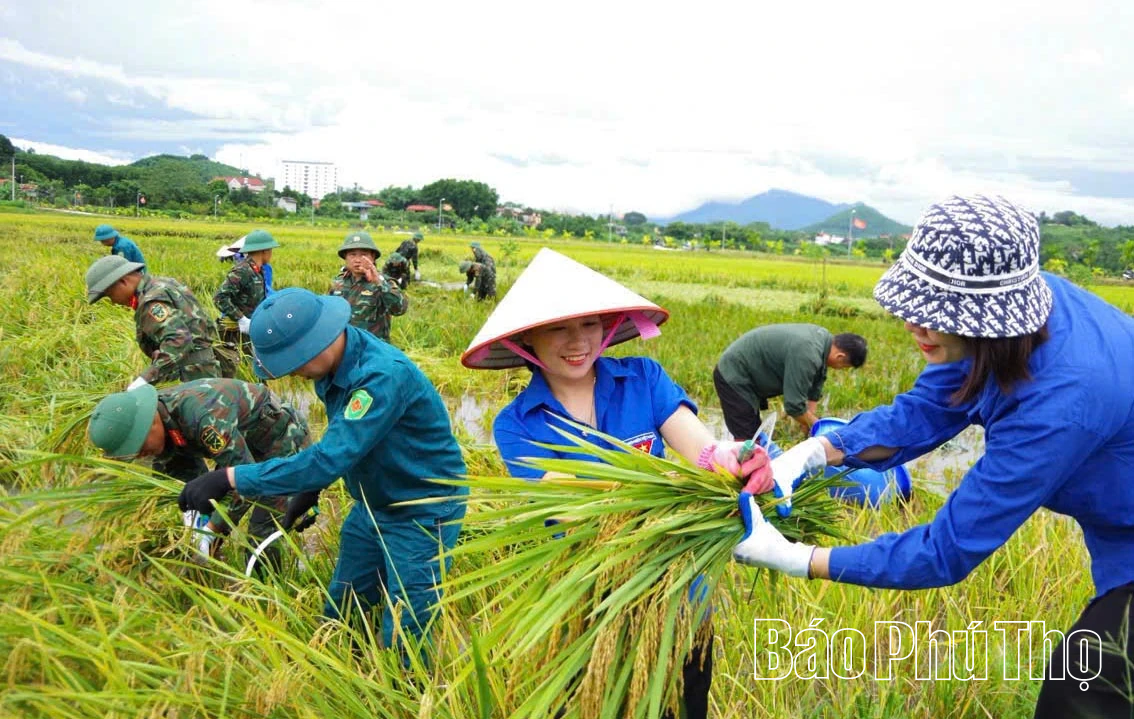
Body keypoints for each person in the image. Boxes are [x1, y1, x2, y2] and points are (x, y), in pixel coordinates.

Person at [729, 195, 1134, 719]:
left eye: (935, 313)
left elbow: (946, 550)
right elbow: (924, 411)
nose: (912, 323)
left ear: (985, 317)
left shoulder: (1060, 403)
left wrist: (797, 558)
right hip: (1120, 529)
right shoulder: (1012, 316)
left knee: (1083, 690)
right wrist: (811, 454)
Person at [461, 248, 772, 719]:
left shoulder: (643, 378)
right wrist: (670, 484)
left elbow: (702, 450)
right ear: (527, 339)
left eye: (589, 324)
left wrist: (731, 458)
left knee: (683, 704)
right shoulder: (518, 423)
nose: (578, 341)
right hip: (587, 601)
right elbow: (572, 505)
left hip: (678, 591)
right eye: (558, 328)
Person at [178, 288, 468, 655]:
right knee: (344, 603)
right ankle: (341, 667)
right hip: (373, 503)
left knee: (407, 622)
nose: (295, 373)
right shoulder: (330, 370)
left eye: (294, 363)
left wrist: (230, 478)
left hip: (422, 508)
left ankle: (408, 686)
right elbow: (347, 442)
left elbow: (330, 456)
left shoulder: (380, 377)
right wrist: (311, 490)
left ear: (317, 342)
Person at [88, 378, 312, 566]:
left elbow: (246, 483)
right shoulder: (162, 426)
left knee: (261, 532)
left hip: (282, 443)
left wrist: (211, 529)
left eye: (141, 447)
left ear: (151, 424)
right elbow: (186, 484)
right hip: (240, 447)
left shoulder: (204, 417)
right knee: (207, 525)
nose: (141, 456)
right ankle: (211, 579)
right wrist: (192, 522)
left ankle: (269, 592)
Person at [85, 255, 229, 388]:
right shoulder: (163, 283)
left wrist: (145, 379)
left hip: (193, 375)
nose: (113, 301)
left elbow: (179, 340)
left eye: (110, 295)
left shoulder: (151, 301)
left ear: (123, 281)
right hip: (205, 367)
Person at [713, 324, 867, 437]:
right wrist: (821, 429)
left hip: (748, 374)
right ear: (840, 357)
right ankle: (736, 470)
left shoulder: (823, 341)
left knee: (754, 433)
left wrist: (809, 427)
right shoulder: (807, 354)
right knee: (747, 436)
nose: (840, 369)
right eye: (844, 367)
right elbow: (794, 406)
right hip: (734, 375)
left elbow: (814, 390)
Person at [328, 231, 408, 343]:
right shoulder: (338, 282)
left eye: (363, 255)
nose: (357, 260)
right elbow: (329, 314)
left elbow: (399, 309)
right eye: (352, 254)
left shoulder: (384, 282)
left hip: (373, 347)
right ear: (345, 257)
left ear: (373, 257)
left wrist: (380, 283)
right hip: (345, 346)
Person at [214, 229, 278, 357]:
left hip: (250, 329)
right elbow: (220, 297)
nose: (271, 254)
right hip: (235, 332)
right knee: (239, 366)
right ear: (264, 251)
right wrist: (241, 319)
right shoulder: (242, 270)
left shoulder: (258, 271)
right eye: (271, 250)